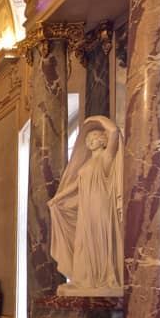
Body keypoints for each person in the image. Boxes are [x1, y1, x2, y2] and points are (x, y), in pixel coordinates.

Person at [47, 115, 124, 295]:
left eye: (94, 137)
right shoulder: (87, 164)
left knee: (100, 239)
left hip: (101, 206)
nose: (89, 140)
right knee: (84, 241)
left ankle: (104, 277)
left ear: (103, 141)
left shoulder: (107, 158)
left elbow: (114, 131)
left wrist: (95, 119)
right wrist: (57, 199)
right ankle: (86, 279)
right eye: (88, 138)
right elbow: (76, 185)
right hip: (86, 207)